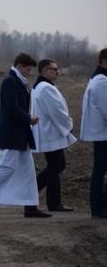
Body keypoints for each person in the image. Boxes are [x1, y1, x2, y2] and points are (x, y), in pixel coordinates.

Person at [0, 53, 52, 218]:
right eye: (28, 69)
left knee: (27, 170)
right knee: (5, 167)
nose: (29, 73)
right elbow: (12, 108)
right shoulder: (10, 82)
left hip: (19, 134)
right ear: (19, 66)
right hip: (12, 134)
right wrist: (28, 118)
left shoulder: (16, 81)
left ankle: (30, 206)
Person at [31, 58, 76, 212]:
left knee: (55, 165)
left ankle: (34, 193)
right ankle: (53, 202)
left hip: (48, 131)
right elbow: (56, 111)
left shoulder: (40, 86)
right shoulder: (46, 88)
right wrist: (68, 125)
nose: (57, 72)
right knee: (57, 165)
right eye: (54, 69)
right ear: (45, 71)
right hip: (50, 132)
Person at [81, 48, 107, 219]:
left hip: (101, 133)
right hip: (103, 134)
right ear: (105, 61)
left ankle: (100, 205)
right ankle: (98, 207)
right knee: (100, 169)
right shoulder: (102, 82)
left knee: (100, 168)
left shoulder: (97, 79)